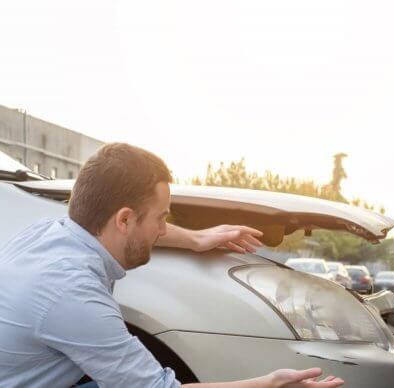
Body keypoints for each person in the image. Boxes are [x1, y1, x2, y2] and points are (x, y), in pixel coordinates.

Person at [0, 143, 344, 388]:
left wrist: (195, 239)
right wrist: (268, 384)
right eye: (161, 218)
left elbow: (128, 226)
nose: (163, 230)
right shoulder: (72, 293)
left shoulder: (51, 234)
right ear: (124, 219)